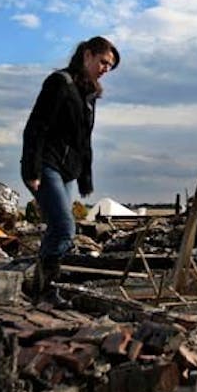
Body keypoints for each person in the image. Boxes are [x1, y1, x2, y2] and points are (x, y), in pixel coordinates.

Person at [21, 36, 120, 298]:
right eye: (103, 62)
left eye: (110, 66)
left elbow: (83, 141)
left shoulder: (88, 94)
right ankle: (43, 287)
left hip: (67, 170)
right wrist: (32, 170)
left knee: (59, 228)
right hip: (46, 164)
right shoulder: (60, 83)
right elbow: (36, 127)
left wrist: (85, 178)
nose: (106, 69)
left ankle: (41, 288)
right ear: (87, 54)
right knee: (65, 227)